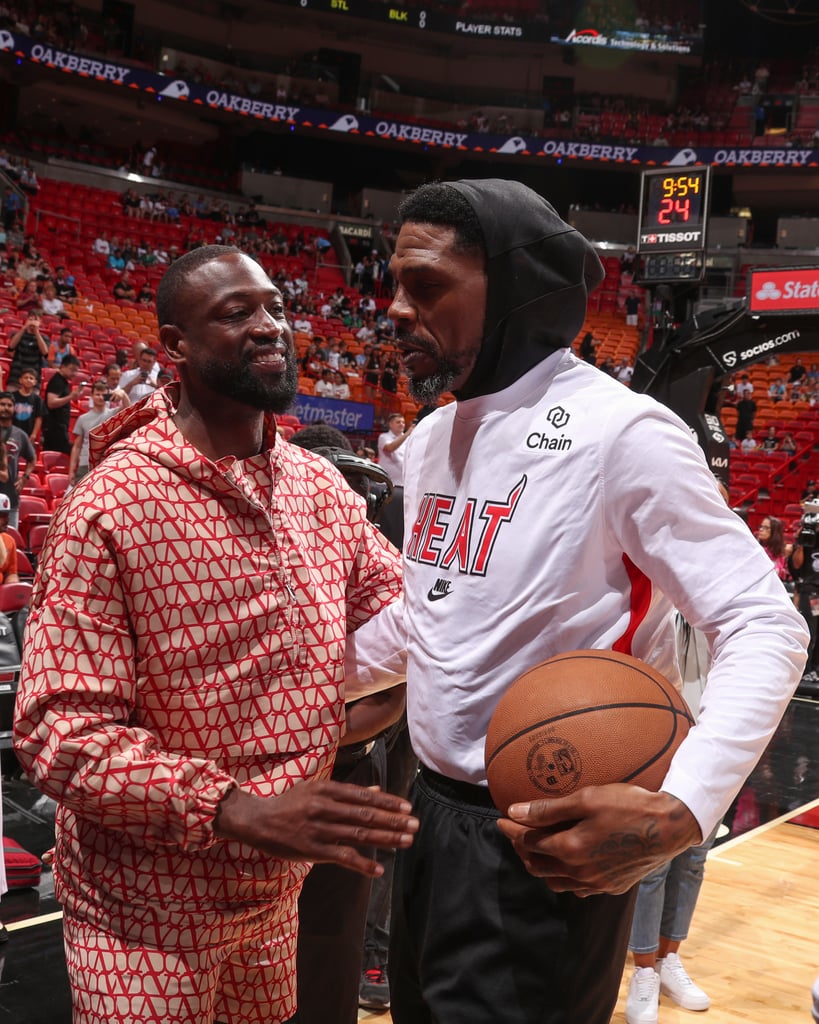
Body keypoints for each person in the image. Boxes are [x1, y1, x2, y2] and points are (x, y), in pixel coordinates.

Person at [343, 179, 807, 1024]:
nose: (397, 310)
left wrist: (685, 805)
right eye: (395, 284)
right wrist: (309, 692)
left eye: (427, 285)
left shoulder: (622, 433)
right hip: (428, 817)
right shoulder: (431, 438)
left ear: (518, 290)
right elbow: (430, 611)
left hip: (545, 836)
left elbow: (760, 621)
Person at [13, 245, 418, 1024]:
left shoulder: (320, 486)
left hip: (273, 900)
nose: (270, 328)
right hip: (142, 919)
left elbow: (405, 618)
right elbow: (56, 732)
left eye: (274, 307)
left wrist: (354, 716)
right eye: (236, 314)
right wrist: (237, 809)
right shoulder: (112, 506)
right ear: (175, 345)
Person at [68, 380, 119, 486]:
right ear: (91, 395)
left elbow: (129, 408)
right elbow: (77, 447)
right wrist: (71, 470)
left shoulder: (114, 413)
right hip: (85, 464)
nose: (100, 397)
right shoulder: (82, 418)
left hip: (106, 463)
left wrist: (122, 395)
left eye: (104, 395)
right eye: (97, 394)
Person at [0, 392, 36, 530]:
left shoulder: (20, 435)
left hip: (11, 495)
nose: (5, 408)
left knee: (10, 539)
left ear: (14, 409)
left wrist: (24, 478)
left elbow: (32, 459)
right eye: (2, 404)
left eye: (9, 405)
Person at [42, 355, 84, 454]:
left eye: (76, 370)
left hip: (59, 427)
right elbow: (51, 403)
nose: (74, 373)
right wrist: (71, 397)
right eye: (72, 370)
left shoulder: (63, 382)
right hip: (54, 428)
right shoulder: (57, 381)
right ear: (63, 366)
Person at [6, 312, 49, 389]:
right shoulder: (18, 334)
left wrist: (37, 332)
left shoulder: (44, 338)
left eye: (36, 320)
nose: (33, 322)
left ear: (40, 322)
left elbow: (45, 353)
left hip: (33, 379)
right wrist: (24, 328)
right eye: (30, 319)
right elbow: (11, 347)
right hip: (16, 377)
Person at [377, 412, 413, 487]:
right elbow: (390, 448)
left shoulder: (409, 439)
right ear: (390, 424)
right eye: (398, 422)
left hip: (403, 483)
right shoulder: (384, 437)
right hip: (386, 482)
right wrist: (407, 433)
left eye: (403, 422)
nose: (401, 424)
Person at [11, 368, 44, 443]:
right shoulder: (12, 396)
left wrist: (34, 434)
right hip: (12, 431)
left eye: (31, 378)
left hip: (28, 434)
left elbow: (39, 418)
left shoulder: (37, 399)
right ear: (20, 380)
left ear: (35, 382)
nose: (28, 380)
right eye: (26, 377)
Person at [0, 493, 19, 585]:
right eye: (2, 516)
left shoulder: (9, 540)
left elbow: (11, 573)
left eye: (7, 515)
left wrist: (12, 584)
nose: (7, 519)